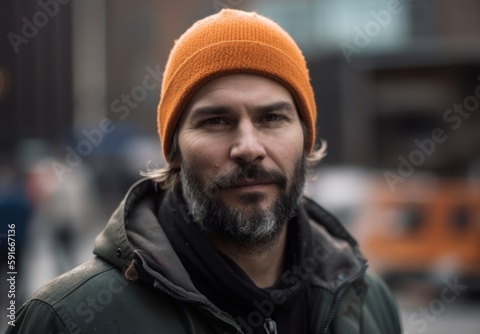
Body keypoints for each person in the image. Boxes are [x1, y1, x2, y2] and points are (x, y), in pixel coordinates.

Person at [7, 9, 402, 334]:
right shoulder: (65, 320)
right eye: (215, 120)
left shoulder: (370, 304)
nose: (248, 147)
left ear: (305, 138)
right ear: (174, 151)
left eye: (271, 118)